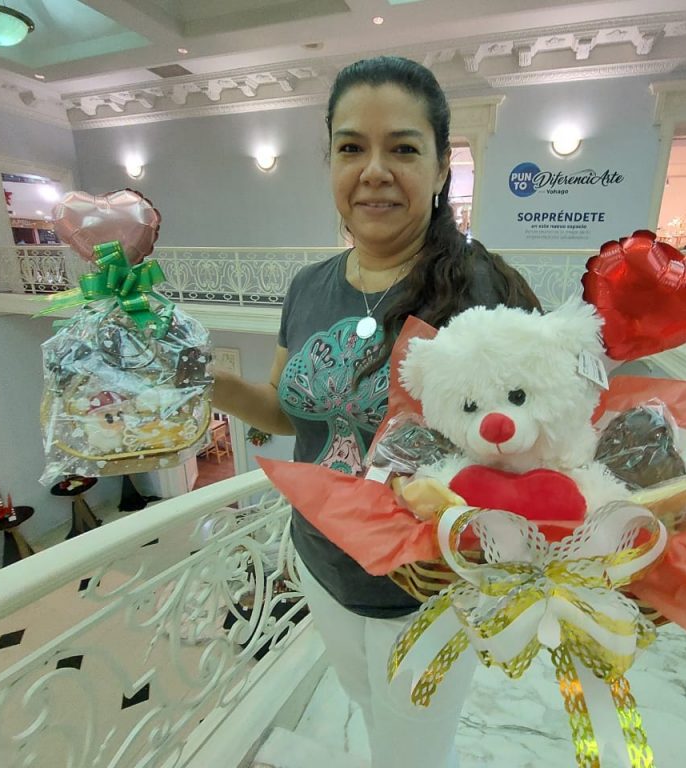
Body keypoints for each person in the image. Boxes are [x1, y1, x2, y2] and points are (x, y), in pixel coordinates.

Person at [211, 55, 540, 768]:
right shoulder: (309, 287)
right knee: (368, 708)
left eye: (403, 149)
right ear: (329, 161)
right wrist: (211, 382)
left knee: (413, 752)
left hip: (428, 590)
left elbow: (535, 443)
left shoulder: (482, 290)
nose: (375, 171)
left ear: (442, 167)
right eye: (352, 147)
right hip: (321, 561)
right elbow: (287, 411)